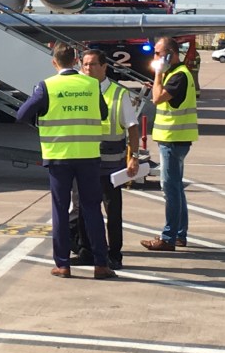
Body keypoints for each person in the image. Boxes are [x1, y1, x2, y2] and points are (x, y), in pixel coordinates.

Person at [16, 43, 117, 280]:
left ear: (54, 62)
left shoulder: (47, 86)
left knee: (61, 209)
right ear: (75, 61)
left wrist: (41, 118)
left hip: (59, 156)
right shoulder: (91, 85)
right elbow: (102, 113)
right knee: (92, 208)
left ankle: (62, 264)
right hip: (88, 155)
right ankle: (101, 264)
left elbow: (22, 114)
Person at [73, 49, 141, 270]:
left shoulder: (118, 94)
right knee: (83, 207)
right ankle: (86, 251)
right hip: (85, 161)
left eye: (93, 65)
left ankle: (114, 253)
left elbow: (132, 129)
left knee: (112, 211)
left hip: (111, 164)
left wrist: (134, 158)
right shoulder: (79, 91)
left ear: (104, 67)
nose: (88, 69)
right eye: (85, 65)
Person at [141, 36, 198, 252]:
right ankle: (179, 234)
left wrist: (157, 75)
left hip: (173, 139)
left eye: (157, 53)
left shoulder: (177, 76)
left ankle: (168, 238)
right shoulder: (176, 74)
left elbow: (157, 99)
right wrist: (159, 81)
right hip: (175, 139)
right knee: (176, 187)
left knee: (170, 188)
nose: (154, 57)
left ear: (169, 54)